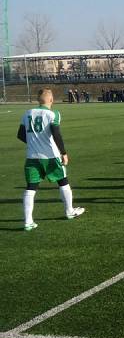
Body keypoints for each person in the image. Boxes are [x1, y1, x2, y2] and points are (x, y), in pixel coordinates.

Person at [17, 88, 84, 231]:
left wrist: (34, 143)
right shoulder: (53, 114)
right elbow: (56, 134)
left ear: (38, 99)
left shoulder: (27, 113)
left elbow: (20, 135)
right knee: (63, 181)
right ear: (51, 100)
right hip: (50, 156)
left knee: (31, 188)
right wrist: (64, 153)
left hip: (32, 157)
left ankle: (28, 221)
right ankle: (69, 211)